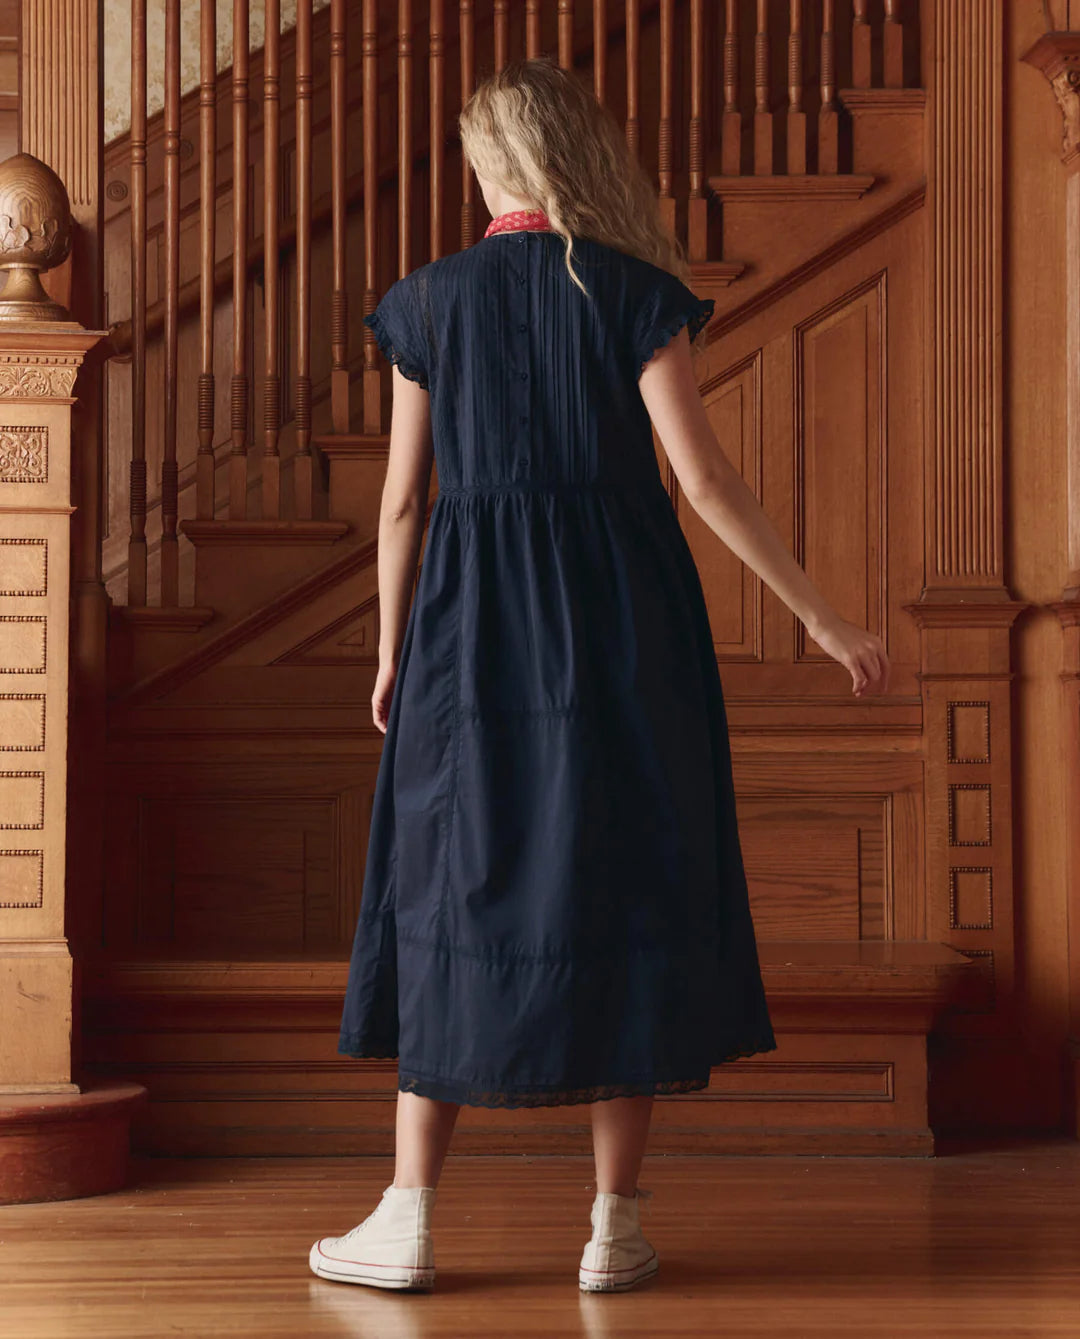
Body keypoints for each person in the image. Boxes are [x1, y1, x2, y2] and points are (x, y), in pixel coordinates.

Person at [310, 56, 889, 1294]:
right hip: (626, 630)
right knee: (625, 878)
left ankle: (409, 1218)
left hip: (468, 632)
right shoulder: (634, 292)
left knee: (448, 883)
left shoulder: (427, 301)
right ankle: (612, 1228)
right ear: (579, 155)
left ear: (489, 166)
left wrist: (388, 644)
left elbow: (405, 501)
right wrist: (827, 621)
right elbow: (708, 484)